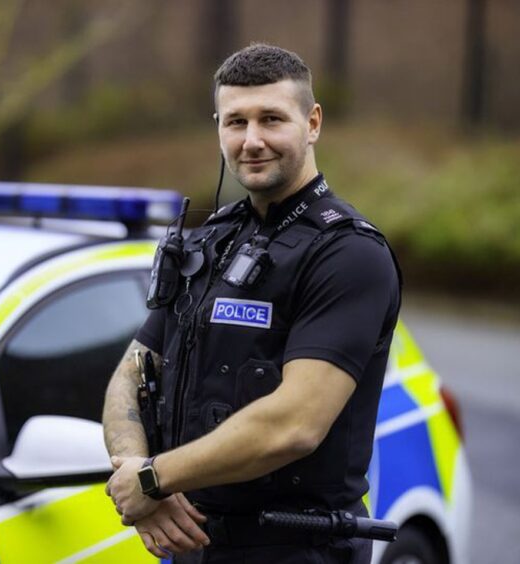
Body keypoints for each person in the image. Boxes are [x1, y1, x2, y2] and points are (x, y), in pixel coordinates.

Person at [102, 43, 401, 564]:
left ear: (312, 123)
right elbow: (134, 369)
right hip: (195, 543)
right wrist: (134, 471)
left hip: (296, 550)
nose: (252, 140)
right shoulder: (208, 241)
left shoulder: (350, 255)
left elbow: (294, 424)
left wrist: (153, 478)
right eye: (236, 121)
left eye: (271, 119)